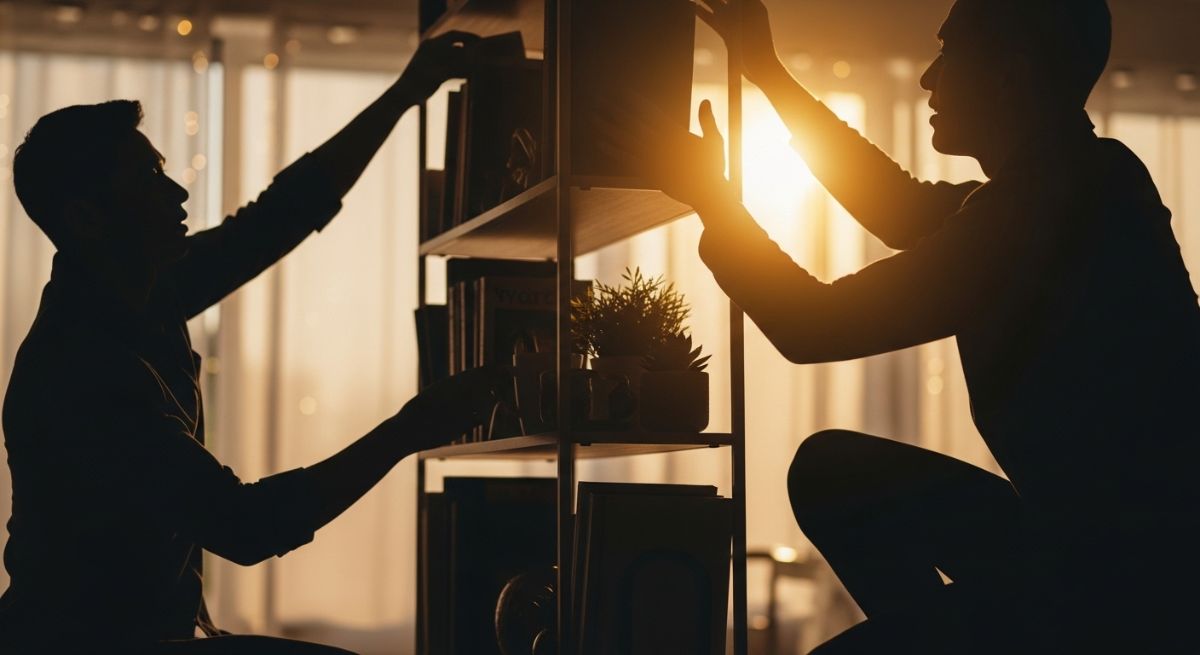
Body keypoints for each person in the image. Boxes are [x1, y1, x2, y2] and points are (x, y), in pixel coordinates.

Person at [612, 0, 1200, 651]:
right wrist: (768, 75)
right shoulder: (1066, 183)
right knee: (832, 471)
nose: (927, 76)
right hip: (1085, 550)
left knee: (835, 488)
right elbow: (898, 207)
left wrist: (719, 207)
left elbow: (813, 325)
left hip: (1125, 583)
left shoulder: (1049, 203)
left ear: (1013, 70)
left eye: (949, 50)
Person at [0, 32, 494, 655]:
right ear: (87, 218)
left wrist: (406, 92)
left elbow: (279, 215)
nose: (177, 194)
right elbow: (246, 525)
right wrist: (410, 430)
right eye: (148, 179)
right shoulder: (81, 371)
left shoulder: (146, 293)